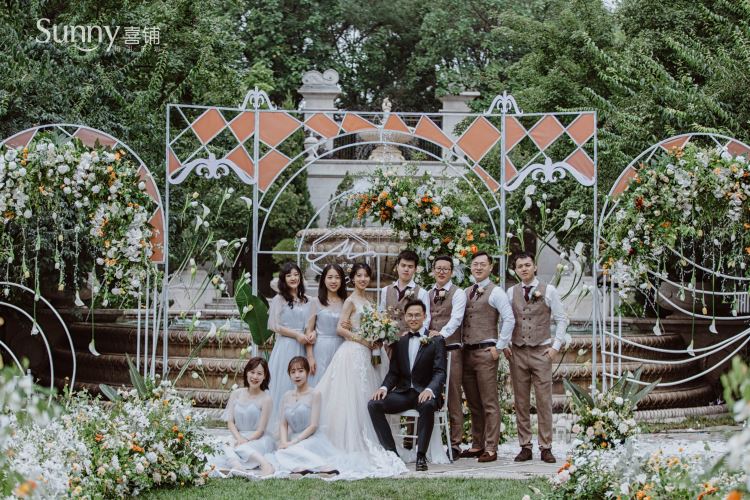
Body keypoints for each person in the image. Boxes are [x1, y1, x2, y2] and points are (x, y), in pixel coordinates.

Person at [312, 263, 409, 476]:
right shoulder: (350, 301)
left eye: (366, 276)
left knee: (371, 395)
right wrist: (364, 341)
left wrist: (379, 337)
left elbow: (374, 326)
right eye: (359, 275)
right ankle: (354, 442)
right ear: (353, 279)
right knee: (354, 398)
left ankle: (380, 439)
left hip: (372, 355)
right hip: (354, 353)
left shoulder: (370, 301)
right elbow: (340, 328)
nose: (363, 279)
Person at [504, 251, 569, 464]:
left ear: (535, 267)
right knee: (521, 401)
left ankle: (546, 447)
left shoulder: (548, 290)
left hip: (542, 351)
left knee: (544, 400)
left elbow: (561, 319)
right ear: (515, 270)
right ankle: (525, 446)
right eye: (520, 266)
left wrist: (555, 347)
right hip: (518, 351)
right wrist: (504, 343)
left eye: (527, 265)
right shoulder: (510, 292)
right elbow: (505, 319)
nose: (524, 269)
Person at [368, 299, 447, 472]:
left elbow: (440, 371)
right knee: (374, 404)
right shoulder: (401, 341)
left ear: (424, 316)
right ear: (405, 317)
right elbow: (394, 373)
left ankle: (421, 456)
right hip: (404, 393)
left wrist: (430, 389)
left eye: (417, 315)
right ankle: (392, 454)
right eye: (410, 315)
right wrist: (383, 388)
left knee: (427, 405)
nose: (413, 318)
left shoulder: (436, 340)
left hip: (424, 392)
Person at [460, 251, 515, 463]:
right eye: (475, 264)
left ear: (490, 267)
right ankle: (477, 444)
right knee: (473, 402)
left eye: (483, 264)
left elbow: (509, 319)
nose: (478, 267)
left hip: (486, 352)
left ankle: (491, 447)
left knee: (489, 402)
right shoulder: (466, 292)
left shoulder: (496, 292)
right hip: (467, 352)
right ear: (471, 267)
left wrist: (499, 347)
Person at [271, 356, 340, 477]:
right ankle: (302, 468)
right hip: (292, 438)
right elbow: (283, 424)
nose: (297, 375)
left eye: (300, 371)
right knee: (280, 452)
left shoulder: (315, 394)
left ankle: (323, 467)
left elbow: (313, 425)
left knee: (293, 450)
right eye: (293, 372)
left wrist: (294, 442)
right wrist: (284, 442)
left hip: (311, 438)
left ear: (307, 372)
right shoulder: (287, 396)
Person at [427, 255, 466, 460]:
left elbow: (457, 318)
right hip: (430, 351)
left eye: (446, 269)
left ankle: (456, 443)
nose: (441, 272)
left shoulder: (458, 293)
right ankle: (424, 440)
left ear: (451, 272)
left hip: (451, 349)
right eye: (438, 268)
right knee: (427, 391)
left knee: (453, 396)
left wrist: (440, 335)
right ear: (433, 270)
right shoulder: (427, 293)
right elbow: (425, 318)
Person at [213, 357, 275, 477]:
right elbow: (230, 422)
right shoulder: (236, 394)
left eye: (259, 373)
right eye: (252, 372)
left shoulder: (266, 399)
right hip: (238, 435)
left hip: (257, 438)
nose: (255, 377)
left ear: (265, 376)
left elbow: (261, 430)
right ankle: (237, 465)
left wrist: (245, 440)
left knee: (242, 448)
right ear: (246, 373)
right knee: (224, 443)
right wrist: (239, 438)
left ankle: (266, 465)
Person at [267, 263, 313, 415]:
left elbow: (310, 324)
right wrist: (296, 335)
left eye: (296, 274)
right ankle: (281, 418)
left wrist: (310, 334)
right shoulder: (279, 299)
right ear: (284, 279)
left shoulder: (307, 300)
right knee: (284, 382)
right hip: (286, 345)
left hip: (303, 346)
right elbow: (274, 325)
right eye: (289, 275)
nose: (293, 278)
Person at [305, 264, 347, 386]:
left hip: (341, 347)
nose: (333, 281)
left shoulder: (346, 302)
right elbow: (309, 330)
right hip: (320, 349)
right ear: (324, 279)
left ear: (342, 281)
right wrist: (310, 357)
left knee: (338, 384)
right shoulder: (315, 302)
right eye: (330, 277)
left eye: (337, 277)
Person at [379, 250, 430, 334]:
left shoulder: (422, 293)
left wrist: (416, 336)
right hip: (388, 339)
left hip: (411, 338)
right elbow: (381, 315)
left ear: (415, 269)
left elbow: (426, 319)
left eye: (410, 266)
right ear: (397, 267)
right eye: (403, 265)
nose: (406, 269)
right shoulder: (385, 290)